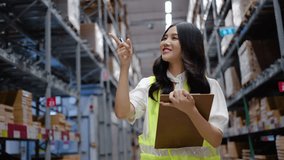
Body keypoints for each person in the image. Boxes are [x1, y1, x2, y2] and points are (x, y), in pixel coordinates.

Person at [109, 22, 229, 160]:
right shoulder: (149, 85)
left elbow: (216, 140)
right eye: (164, 38)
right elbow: (122, 112)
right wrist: (125, 67)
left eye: (174, 38)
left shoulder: (210, 86)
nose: (166, 42)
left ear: (189, 44)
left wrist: (191, 111)